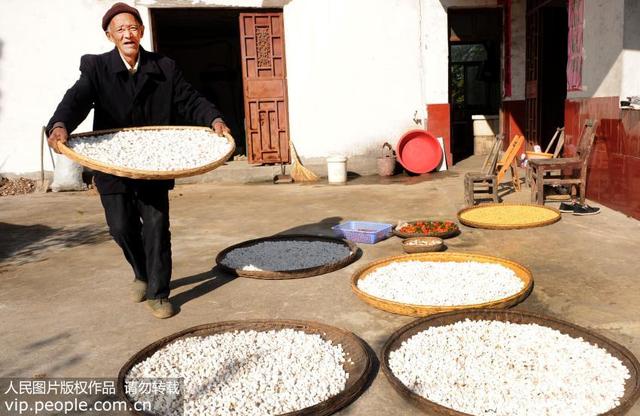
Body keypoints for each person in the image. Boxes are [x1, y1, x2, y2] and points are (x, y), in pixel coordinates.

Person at [46, 2, 230, 319]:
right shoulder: (96, 68)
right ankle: (141, 272)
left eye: (133, 27)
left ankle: (159, 293)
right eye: (120, 29)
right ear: (110, 36)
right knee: (121, 227)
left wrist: (213, 119)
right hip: (112, 162)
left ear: (141, 31)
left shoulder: (164, 67)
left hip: (152, 165)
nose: (128, 34)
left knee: (157, 226)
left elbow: (190, 99)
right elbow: (76, 98)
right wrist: (60, 124)